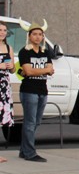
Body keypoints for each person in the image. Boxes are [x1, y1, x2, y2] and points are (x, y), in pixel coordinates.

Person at [17, 20, 54, 162]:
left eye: (40, 34)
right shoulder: (24, 52)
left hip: (42, 90)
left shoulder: (45, 52)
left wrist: (40, 70)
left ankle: (24, 150)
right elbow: (28, 71)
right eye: (35, 34)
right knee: (30, 122)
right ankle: (30, 153)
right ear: (29, 36)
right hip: (29, 90)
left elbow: (50, 69)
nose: (38, 37)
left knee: (36, 122)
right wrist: (44, 70)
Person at [0, 22, 16, 133]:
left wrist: (12, 66)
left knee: (3, 115)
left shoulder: (8, 47)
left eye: (5, 30)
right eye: (0, 30)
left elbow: (13, 70)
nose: (2, 33)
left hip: (4, 85)